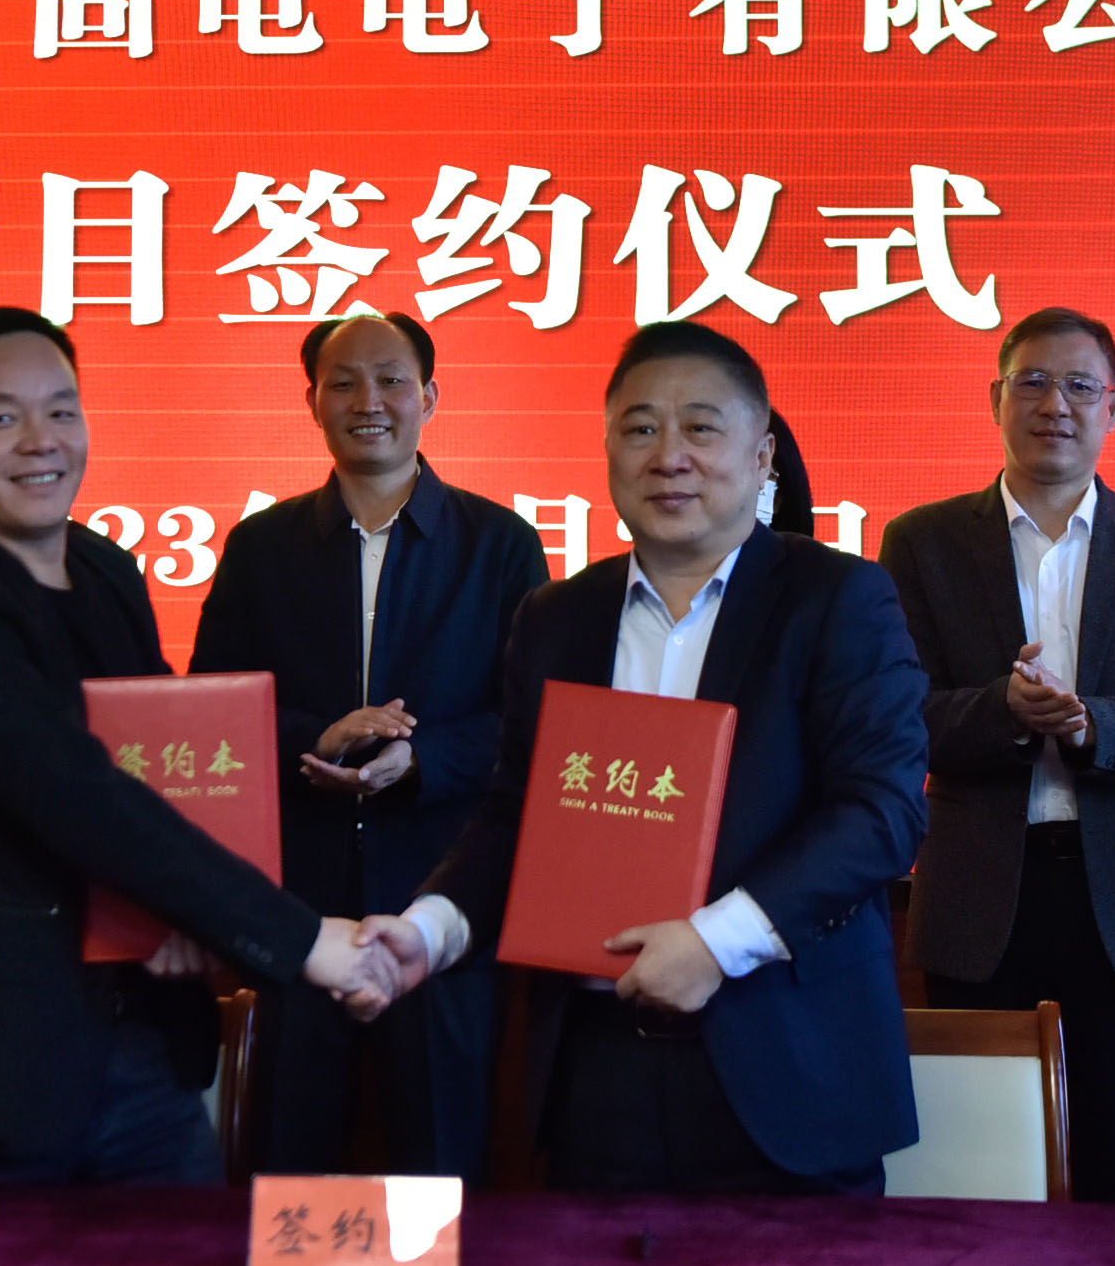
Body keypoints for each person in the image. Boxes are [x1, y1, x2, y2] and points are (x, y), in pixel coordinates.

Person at [0, 307, 405, 1186]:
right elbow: (80, 795)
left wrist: (175, 914)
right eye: (2, 417)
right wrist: (299, 939)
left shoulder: (105, 569)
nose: (42, 441)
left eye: (61, 410)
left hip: (138, 1036)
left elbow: (161, 761)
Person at [379, 321, 931, 1195]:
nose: (669, 455)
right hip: (596, 1073)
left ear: (762, 455)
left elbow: (882, 814)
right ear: (608, 450)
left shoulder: (837, 599)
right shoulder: (556, 617)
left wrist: (714, 943)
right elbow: (516, 816)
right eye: (640, 428)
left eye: (701, 427)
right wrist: (427, 928)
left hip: (787, 1066)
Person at [879, 305, 1115, 1202]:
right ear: (994, 399)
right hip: (981, 895)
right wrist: (1003, 711)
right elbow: (896, 714)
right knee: (975, 1168)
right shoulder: (922, 542)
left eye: (1081, 386)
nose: (1056, 405)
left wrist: (1091, 727)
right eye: (1033, 382)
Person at [190, 311, 544, 1177]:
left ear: (430, 397)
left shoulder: (500, 544)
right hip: (298, 908)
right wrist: (318, 736)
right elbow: (211, 715)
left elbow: (532, 723)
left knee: (438, 1152)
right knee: (291, 1151)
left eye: (391, 381)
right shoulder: (261, 547)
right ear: (311, 401)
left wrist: (420, 759)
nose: (368, 401)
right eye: (343, 383)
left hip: (441, 899)